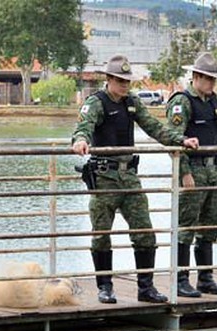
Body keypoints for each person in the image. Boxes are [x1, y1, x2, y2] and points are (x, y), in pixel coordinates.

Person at [71, 54, 199, 304]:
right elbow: (83, 125)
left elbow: (153, 127)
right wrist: (80, 140)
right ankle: (105, 286)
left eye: (127, 81)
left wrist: (180, 140)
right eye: (119, 80)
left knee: (144, 231)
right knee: (101, 233)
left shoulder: (132, 103)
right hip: (104, 176)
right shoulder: (96, 103)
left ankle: (146, 287)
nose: (124, 85)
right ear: (108, 79)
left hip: (129, 176)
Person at [165, 52, 217, 297]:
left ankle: (205, 277)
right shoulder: (182, 101)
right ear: (195, 77)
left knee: (211, 223)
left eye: (214, 79)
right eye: (208, 79)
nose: (212, 84)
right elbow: (173, 139)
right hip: (193, 169)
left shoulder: (212, 100)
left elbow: (213, 135)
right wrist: (183, 172)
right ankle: (181, 279)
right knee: (186, 225)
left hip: (213, 170)